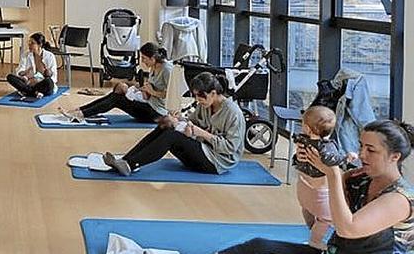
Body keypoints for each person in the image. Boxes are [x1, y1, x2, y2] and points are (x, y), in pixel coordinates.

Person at [218, 119, 414, 254]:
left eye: (370, 150)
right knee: (257, 247)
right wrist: (310, 167)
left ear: (394, 157)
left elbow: (348, 229)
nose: (362, 154)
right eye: (361, 146)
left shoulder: (399, 198)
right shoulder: (361, 179)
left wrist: (335, 175)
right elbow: (323, 198)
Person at [102, 71, 244, 176]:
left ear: (213, 93)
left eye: (201, 96)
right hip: (202, 149)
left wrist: (202, 133)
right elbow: (193, 122)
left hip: (217, 162)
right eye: (195, 96)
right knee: (166, 125)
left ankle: (130, 165)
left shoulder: (233, 113)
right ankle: (125, 160)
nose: (198, 100)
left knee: (172, 136)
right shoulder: (205, 104)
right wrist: (179, 119)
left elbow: (230, 148)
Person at [59, 42, 172, 123]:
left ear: (153, 58)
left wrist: (152, 92)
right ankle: (80, 110)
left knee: (117, 99)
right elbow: (152, 87)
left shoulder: (167, 69)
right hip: (148, 104)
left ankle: (80, 114)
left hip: (157, 113)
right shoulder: (154, 67)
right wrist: (141, 88)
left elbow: (171, 95)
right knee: (116, 93)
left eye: (144, 58)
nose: (142, 61)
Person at [292, 106, 351, 250]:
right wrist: (347, 158)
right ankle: (315, 240)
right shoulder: (326, 146)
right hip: (318, 191)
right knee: (326, 218)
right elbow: (332, 159)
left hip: (303, 185)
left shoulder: (302, 141)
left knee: (307, 208)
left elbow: (297, 158)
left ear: (306, 128)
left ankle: (312, 226)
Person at [6, 32, 58, 99]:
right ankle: (35, 93)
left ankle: (29, 92)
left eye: (32, 43)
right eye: (29, 42)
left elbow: (54, 78)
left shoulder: (50, 56)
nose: (29, 45)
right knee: (10, 77)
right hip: (28, 83)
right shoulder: (26, 55)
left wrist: (38, 80)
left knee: (49, 82)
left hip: (42, 84)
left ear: (40, 45)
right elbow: (19, 71)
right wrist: (26, 73)